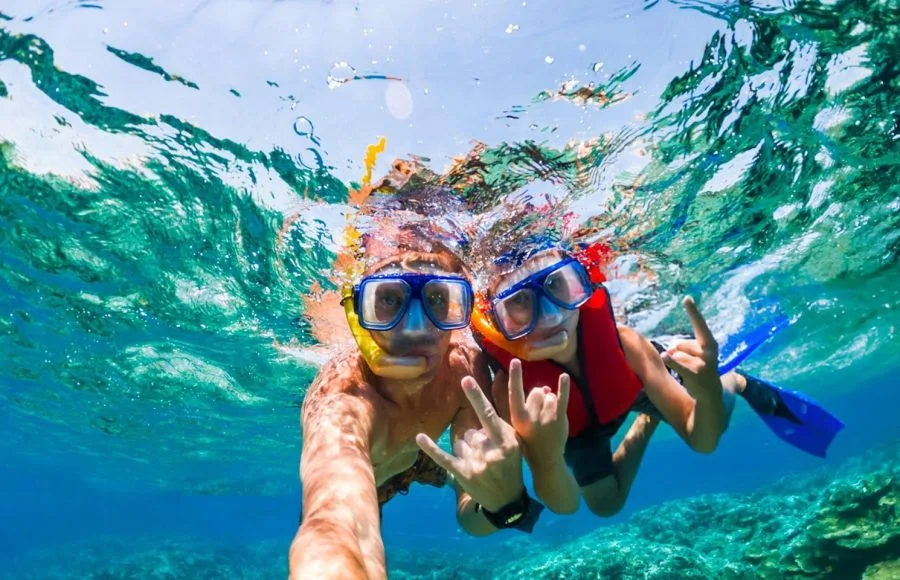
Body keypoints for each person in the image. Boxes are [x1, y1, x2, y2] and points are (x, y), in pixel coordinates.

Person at [471, 242, 845, 517]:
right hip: (574, 428)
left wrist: (707, 393)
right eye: (519, 302)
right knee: (606, 505)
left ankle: (732, 382)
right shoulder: (512, 390)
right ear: (496, 322)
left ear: (580, 283)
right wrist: (545, 455)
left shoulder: (627, 344)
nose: (550, 315)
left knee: (714, 415)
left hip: (630, 388)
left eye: (557, 285)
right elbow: (564, 505)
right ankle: (648, 422)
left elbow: (703, 441)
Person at [288, 225, 545, 580]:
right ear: (358, 313)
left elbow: (471, 511)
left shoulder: (464, 371)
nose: (414, 328)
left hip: (421, 457)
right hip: (375, 481)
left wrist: (507, 503)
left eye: (437, 299)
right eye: (389, 299)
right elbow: (334, 521)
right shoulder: (343, 397)